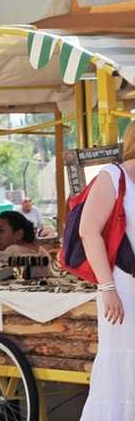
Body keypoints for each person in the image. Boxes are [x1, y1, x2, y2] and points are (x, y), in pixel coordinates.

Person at [80, 124, 135, 420]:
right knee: (120, 368)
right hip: (121, 287)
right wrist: (107, 287)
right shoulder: (112, 176)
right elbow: (88, 230)